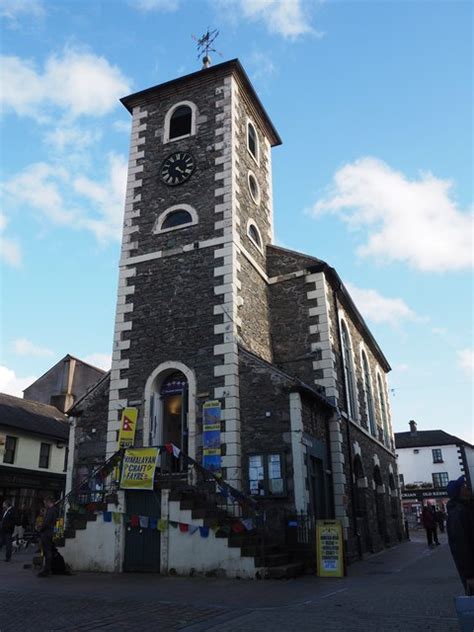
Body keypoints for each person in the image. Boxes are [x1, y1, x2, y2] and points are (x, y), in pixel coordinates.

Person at [446, 476, 474, 595]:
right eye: (463, 486)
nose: (466, 487)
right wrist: (469, 575)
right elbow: (460, 546)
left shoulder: (466, 508)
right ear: (459, 492)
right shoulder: (457, 514)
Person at [37, 496, 58, 578]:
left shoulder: (51, 511)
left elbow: (46, 522)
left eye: (45, 503)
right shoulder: (53, 510)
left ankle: (47, 569)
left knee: (47, 551)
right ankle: (47, 568)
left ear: (48, 502)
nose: (44, 504)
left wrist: (40, 528)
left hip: (47, 533)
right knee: (48, 550)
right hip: (49, 532)